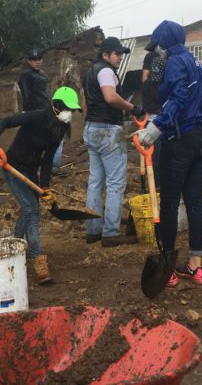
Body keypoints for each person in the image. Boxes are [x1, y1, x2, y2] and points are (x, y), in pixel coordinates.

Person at [135, 21, 202, 288]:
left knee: (170, 203)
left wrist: (156, 128)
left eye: (157, 47)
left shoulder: (173, 62)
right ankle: (196, 266)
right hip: (201, 142)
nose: (156, 53)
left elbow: (178, 98)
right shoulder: (196, 63)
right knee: (194, 202)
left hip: (180, 142)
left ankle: (168, 270)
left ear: (164, 44)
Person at [0, 87, 82, 284]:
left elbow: (47, 160)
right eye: (68, 108)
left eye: (73, 110)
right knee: (31, 210)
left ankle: (14, 246)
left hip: (30, 171)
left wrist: (45, 186)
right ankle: (38, 261)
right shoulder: (36, 116)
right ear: (57, 106)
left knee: (28, 211)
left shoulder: (59, 129)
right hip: (11, 167)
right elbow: (6, 122)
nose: (70, 113)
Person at [82, 36, 145, 247]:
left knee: (95, 182)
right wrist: (132, 108)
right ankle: (110, 233)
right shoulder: (106, 71)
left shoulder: (90, 72)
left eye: (121, 54)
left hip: (92, 128)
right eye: (117, 54)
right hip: (107, 130)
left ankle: (93, 231)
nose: (119, 58)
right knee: (116, 183)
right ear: (105, 54)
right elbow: (110, 97)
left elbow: (85, 103)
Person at [18, 48, 65, 171]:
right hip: (34, 112)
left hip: (47, 110)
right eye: (34, 60)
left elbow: (46, 94)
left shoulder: (43, 74)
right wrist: (27, 114)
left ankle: (52, 166)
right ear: (29, 61)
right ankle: (31, 166)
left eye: (39, 59)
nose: (37, 62)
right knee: (34, 140)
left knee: (57, 135)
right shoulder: (26, 75)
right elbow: (26, 96)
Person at [140, 41, 167, 188]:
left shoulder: (147, 85)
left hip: (149, 122)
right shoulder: (165, 86)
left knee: (152, 155)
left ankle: (153, 184)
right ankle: (159, 184)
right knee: (161, 156)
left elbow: (146, 105)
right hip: (161, 123)